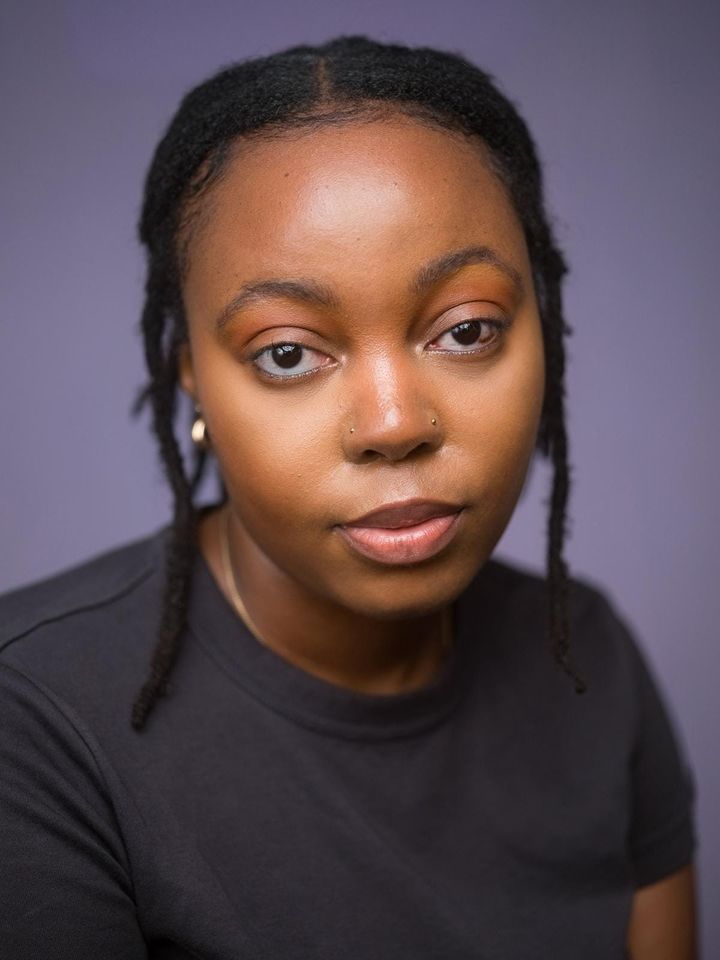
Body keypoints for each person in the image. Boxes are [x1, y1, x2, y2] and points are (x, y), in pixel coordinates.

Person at [0, 34, 697, 959]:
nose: (394, 421)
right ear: (194, 382)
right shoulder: (36, 724)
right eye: (288, 352)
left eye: (467, 329)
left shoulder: (589, 659)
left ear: (547, 334)